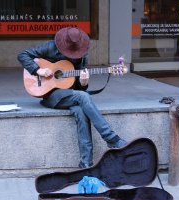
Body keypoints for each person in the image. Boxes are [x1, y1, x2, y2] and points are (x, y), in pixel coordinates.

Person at [17, 27, 127, 168]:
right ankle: (111, 138)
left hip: (70, 95)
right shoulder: (51, 47)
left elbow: (77, 89)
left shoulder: (82, 56)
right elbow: (22, 55)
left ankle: (86, 163)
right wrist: (39, 70)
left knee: (81, 111)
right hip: (51, 95)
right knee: (83, 96)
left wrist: (83, 83)